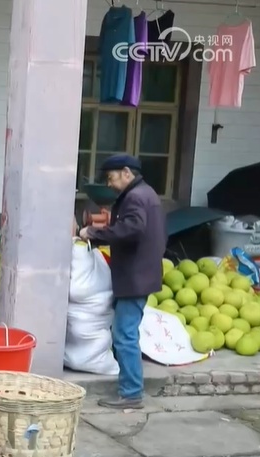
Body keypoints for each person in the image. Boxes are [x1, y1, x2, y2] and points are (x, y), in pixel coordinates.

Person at [79, 154, 165, 410]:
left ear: (127, 172)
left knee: (124, 335)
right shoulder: (145, 194)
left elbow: (132, 230)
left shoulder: (137, 197)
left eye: (111, 177)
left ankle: (131, 393)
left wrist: (93, 232)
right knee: (125, 332)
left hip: (135, 276)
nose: (109, 183)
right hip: (140, 273)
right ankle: (129, 389)